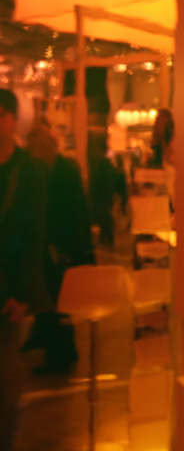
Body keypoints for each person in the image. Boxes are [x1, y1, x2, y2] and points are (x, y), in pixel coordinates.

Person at [0, 89, 48, 451]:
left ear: (12, 120)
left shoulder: (28, 172)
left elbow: (34, 235)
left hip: (9, 293)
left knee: (5, 387)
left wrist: (22, 293)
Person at [21, 122, 93, 373]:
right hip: (60, 245)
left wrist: (62, 246)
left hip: (61, 246)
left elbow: (67, 213)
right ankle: (53, 344)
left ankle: (60, 355)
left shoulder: (55, 171)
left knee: (58, 300)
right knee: (54, 299)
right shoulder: (60, 168)